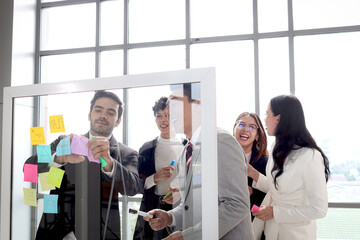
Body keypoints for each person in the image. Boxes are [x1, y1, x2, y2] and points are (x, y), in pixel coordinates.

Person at [25, 90, 140, 240]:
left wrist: (109, 162)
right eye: (98, 110)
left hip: (101, 232)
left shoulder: (127, 153)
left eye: (111, 113)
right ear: (89, 114)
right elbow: (28, 168)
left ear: (118, 121)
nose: (103, 116)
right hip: (55, 229)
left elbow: (132, 188)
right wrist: (58, 158)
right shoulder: (66, 141)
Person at [144, 83, 254, 240]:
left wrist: (186, 236)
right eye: (167, 106)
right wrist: (169, 217)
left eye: (174, 102)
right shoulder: (186, 152)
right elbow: (189, 206)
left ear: (198, 104)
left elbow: (236, 206)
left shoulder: (220, 141)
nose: (167, 112)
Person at [248, 94, 330, 240]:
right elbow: (279, 190)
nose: (265, 119)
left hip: (296, 234)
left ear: (278, 118)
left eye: (267, 114)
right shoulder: (275, 148)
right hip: (271, 231)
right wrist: (253, 173)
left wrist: (275, 212)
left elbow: (319, 209)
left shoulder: (310, 156)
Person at [133, 97, 183, 240]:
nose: (163, 120)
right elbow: (137, 184)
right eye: (159, 116)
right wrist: (156, 177)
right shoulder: (146, 148)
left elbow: (198, 179)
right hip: (152, 206)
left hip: (181, 207)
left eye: (168, 115)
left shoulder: (187, 146)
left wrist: (181, 190)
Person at [233, 112, 268, 219]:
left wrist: (251, 192)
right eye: (241, 125)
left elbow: (270, 194)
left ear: (257, 135)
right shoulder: (220, 157)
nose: (246, 129)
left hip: (252, 222)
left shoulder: (265, 163)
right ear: (234, 130)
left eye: (252, 127)